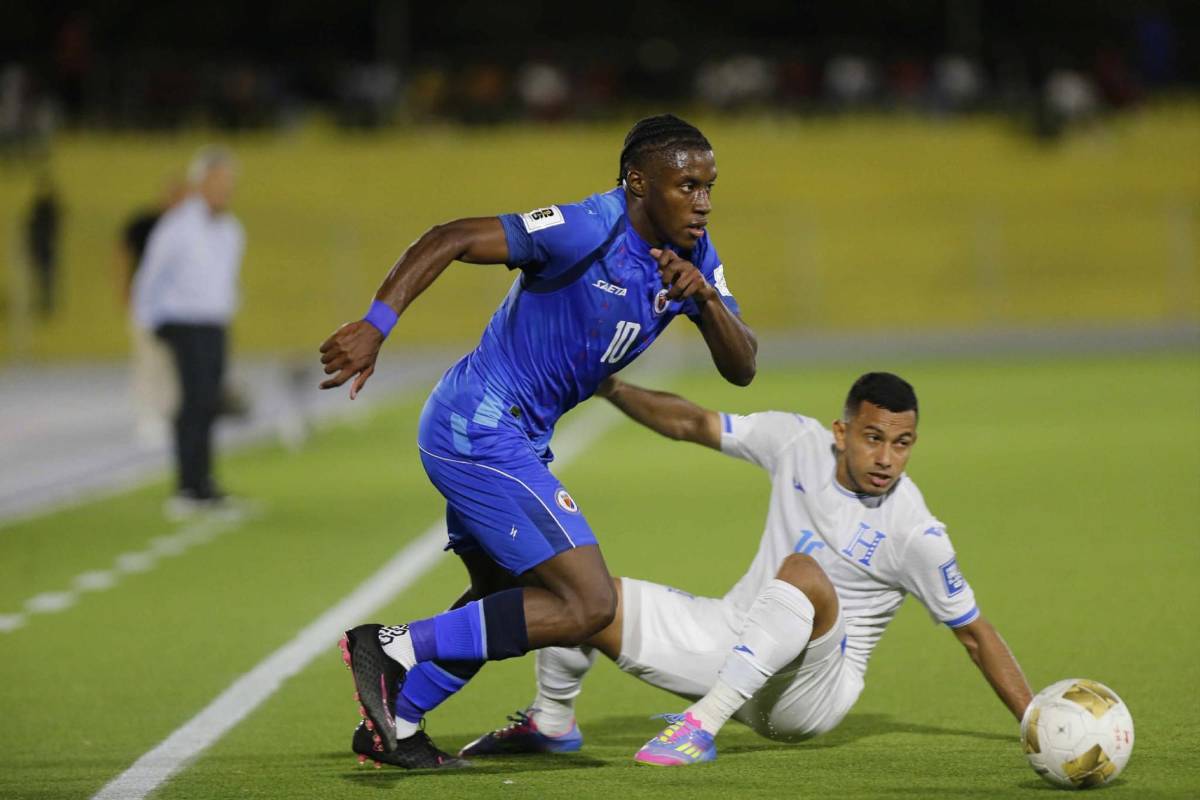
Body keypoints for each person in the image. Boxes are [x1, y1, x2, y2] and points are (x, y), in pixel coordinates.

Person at [319, 114, 758, 769]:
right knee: (588, 603)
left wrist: (707, 300)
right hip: (478, 427)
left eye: (708, 186)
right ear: (639, 181)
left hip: (516, 436)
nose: (703, 202)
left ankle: (398, 723)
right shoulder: (587, 227)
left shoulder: (695, 256)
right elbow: (451, 237)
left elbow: (743, 366)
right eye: (687, 185)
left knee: (501, 595)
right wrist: (378, 324)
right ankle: (389, 647)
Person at [459, 372, 1032, 766]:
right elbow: (693, 423)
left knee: (803, 571)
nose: (886, 458)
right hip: (732, 637)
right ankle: (552, 723)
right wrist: (609, 386)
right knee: (581, 595)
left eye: (902, 443)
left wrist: (1033, 719)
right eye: (873, 438)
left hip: (811, 691)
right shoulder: (797, 443)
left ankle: (699, 728)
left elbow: (976, 636)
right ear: (842, 433)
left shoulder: (916, 533)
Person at [131, 146, 244, 516]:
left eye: (229, 181)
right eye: (219, 180)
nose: (226, 188)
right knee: (193, 403)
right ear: (202, 182)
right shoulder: (177, 227)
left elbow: (224, 283)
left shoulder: (230, 230)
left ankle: (204, 483)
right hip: (183, 323)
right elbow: (150, 277)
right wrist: (150, 322)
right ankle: (186, 487)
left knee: (210, 402)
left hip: (214, 324)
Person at [118, 175, 187, 447]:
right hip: (147, 304)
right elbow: (121, 253)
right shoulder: (145, 224)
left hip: (178, 307)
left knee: (174, 363)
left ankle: (170, 414)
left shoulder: (188, 229)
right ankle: (148, 415)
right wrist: (124, 291)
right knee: (148, 360)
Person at [25, 174, 61, 318]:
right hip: (41, 247)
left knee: (47, 277)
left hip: (47, 248)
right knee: (41, 276)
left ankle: (46, 303)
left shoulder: (48, 208)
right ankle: (41, 302)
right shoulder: (40, 208)